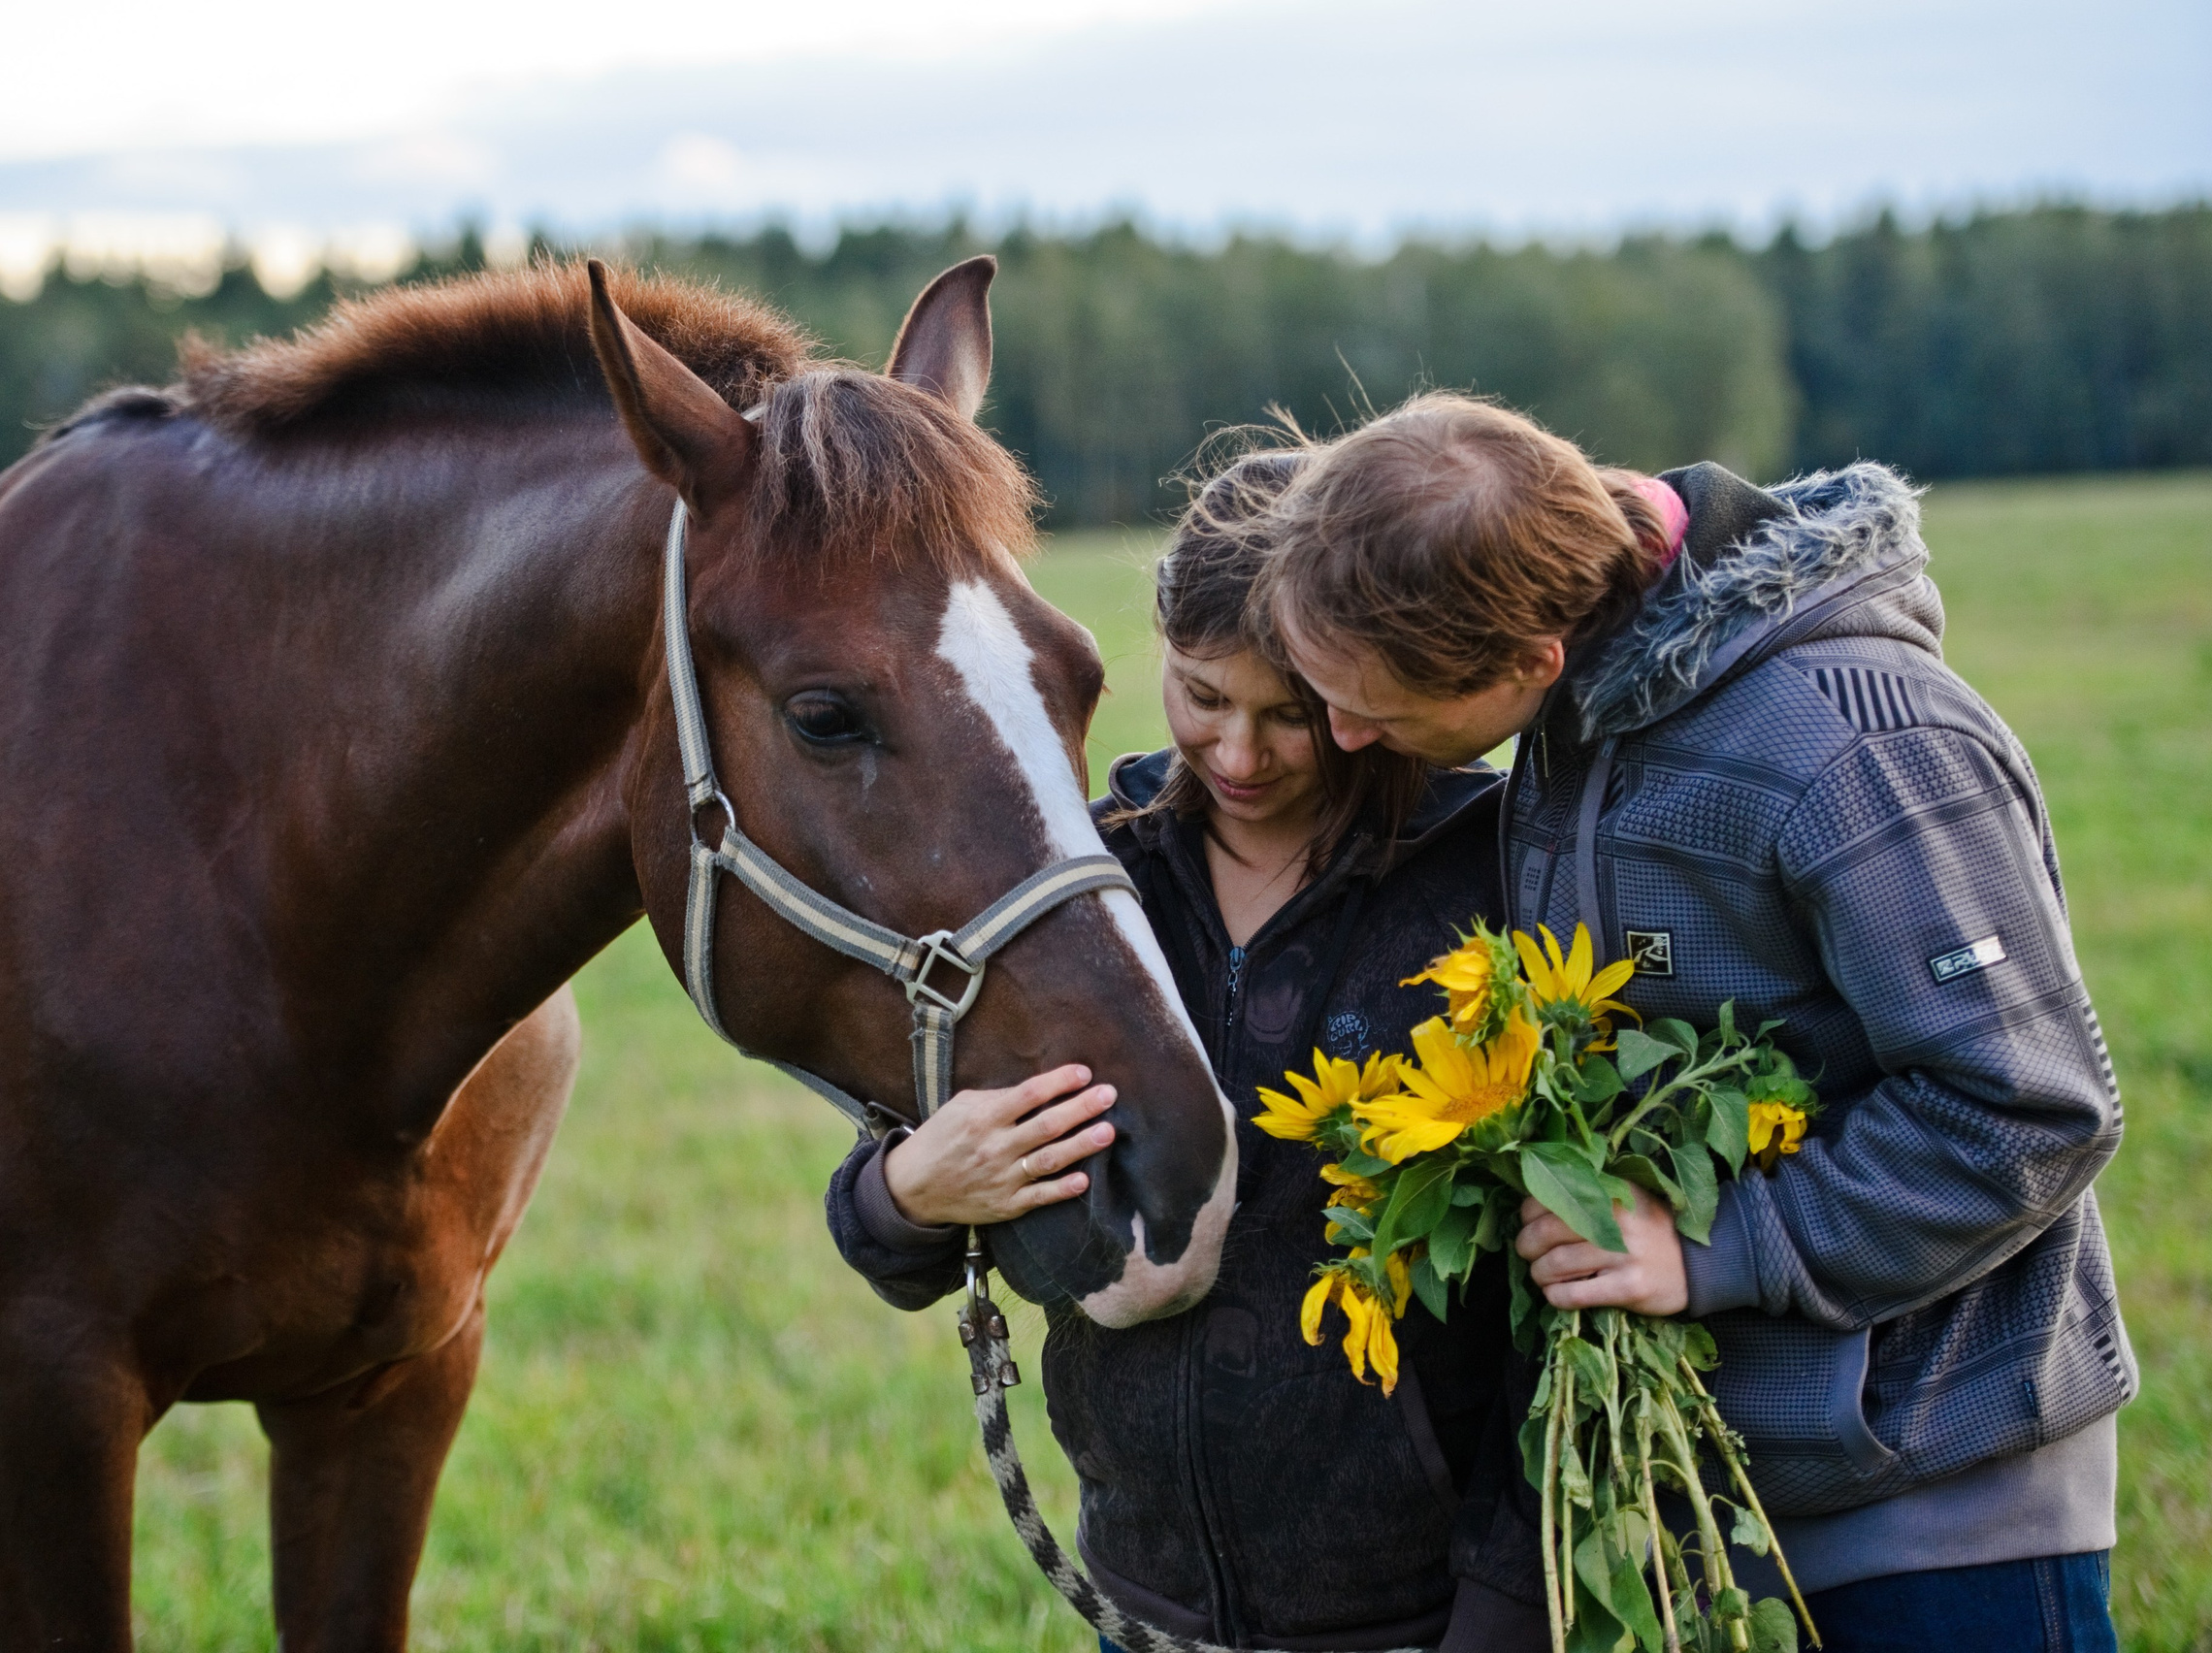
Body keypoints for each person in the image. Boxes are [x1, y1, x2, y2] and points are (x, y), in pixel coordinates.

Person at [1254, 391, 2132, 1651]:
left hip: (1932, 1507)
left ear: (1524, 662)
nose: (1338, 734)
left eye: (1367, 705)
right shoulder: (1585, 713)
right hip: (1709, 1509)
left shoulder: (1856, 745)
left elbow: (2027, 1108)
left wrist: (1713, 1250)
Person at [823, 454, 1548, 1650]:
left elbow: (1552, 1306)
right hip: (1144, 1601)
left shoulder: (1485, 883)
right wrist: (907, 1194)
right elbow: (887, 1210)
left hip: (1421, 1612)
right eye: (1202, 696)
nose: (1241, 755)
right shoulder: (1084, 887)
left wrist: (1503, 1613)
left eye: (1292, 715)